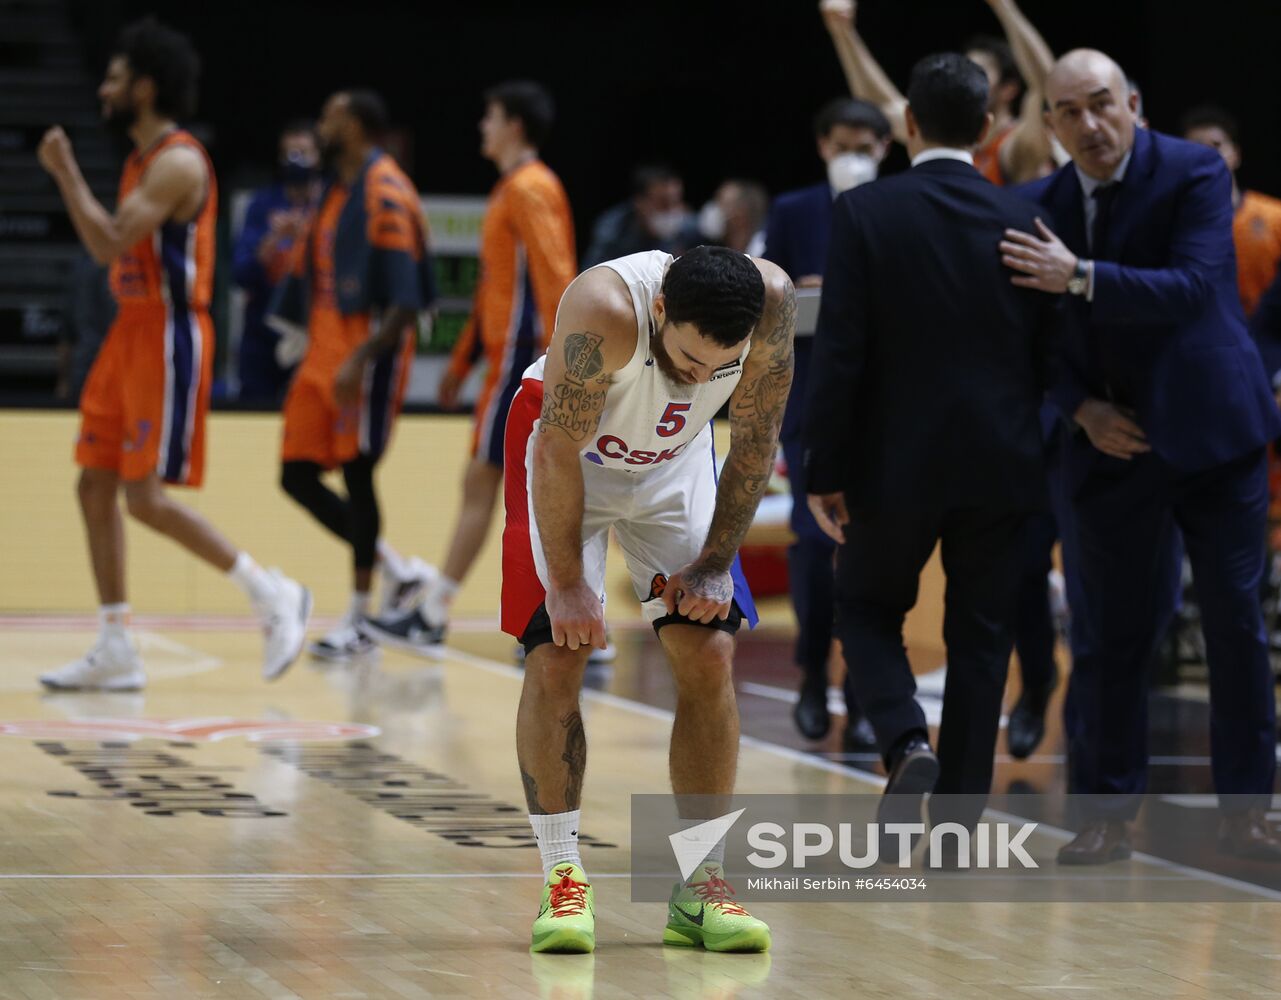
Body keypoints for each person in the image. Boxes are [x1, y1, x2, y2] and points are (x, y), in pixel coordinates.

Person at [1003, 49, 1281, 863]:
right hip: (1108, 443)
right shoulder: (1033, 205)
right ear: (1049, 125)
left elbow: (1194, 286)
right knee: (1107, 634)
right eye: (1070, 113)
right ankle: (1104, 815)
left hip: (1213, 438)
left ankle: (1245, 811)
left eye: (1102, 105)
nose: (1090, 125)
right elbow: (1027, 339)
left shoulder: (1195, 172)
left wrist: (1079, 275)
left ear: (1131, 103)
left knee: (1233, 625)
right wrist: (1079, 408)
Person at [504, 246, 793, 953]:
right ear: (659, 309)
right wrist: (570, 584)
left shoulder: (772, 305)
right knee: (557, 654)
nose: (697, 376)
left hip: (674, 463)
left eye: (712, 368)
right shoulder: (604, 307)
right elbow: (556, 450)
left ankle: (701, 884)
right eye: (687, 360)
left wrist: (717, 564)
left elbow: (755, 439)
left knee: (710, 653)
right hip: (569, 458)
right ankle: (562, 877)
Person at [804, 53, 1057, 843]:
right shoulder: (1026, 222)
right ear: (988, 128)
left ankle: (906, 738)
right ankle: (957, 826)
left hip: (893, 464)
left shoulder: (865, 213)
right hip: (1002, 466)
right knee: (982, 638)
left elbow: (841, 351)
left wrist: (824, 467)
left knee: (866, 608)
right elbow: (1049, 356)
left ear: (906, 124)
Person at [35, 17, 310, 691]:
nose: (104, 89)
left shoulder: (178, 162)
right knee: (92, 483)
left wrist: (66, 173)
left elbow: (105, 244)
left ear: (147, 87)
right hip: (128, 331)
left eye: (116, 78)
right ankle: (115, 643)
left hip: (166, 333)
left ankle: (269, 591)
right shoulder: (139, 160)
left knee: (144, 497)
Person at [364, 81, 576, 656]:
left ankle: (439, 612)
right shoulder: (515, 188)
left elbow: (558, 277)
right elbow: (492, 289)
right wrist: (462, 360)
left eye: (490, 116)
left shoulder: (530, 188)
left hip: (523, 360)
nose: (482, 126)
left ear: (514, 126)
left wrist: (569, 361)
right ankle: (540, 613)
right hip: (511, 357)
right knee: (514, 488)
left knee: (498, 486)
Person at [270, 89, 434, 661]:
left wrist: (359, 359)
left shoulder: (385, 190)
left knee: (359, 477)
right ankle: (397, 569)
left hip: (360, 350)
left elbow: (407, 303)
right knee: (294, 474)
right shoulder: (336, 188)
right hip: (322, 346)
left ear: (358, 125)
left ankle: (361, 621)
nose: (320, 124)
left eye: (329, 115)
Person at [762, 96, 890, 749]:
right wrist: (795, 289)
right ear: (821, 145)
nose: (855, 157)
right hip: (810, 397)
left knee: (873, 552)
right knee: (815, 546)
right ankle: (812, 674)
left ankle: (865, 694)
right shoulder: (792, 212)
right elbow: (759, 300)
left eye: (866, 146)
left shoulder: (898, 204)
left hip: (885, 404)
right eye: (843, 145)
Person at [820, 0, 1055, 185]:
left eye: (980, 72)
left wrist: (1004, 4)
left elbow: (1046, 85)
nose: (965, 79)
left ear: (1008, 90)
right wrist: (843, 32)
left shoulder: (1016, 147)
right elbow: (881, 106)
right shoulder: (948, 135)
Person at [231, 120, 320, 405]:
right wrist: (272, 239)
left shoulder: (330, 204)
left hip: (314, 333)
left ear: (319, 157)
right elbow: (240, 273)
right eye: (289, 154)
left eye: (304, 153)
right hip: (262, 334)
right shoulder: (262, 205)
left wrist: (308, 233)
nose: (296, 161)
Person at [1182, 105, 1281, 319]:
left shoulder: (1275, 216)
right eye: (1196, 147)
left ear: (1235, 154)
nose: (1207, 154)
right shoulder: (1178, 225)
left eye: (1216, 145)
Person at [582, 164, 699, 266]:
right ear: (639, 202)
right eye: (663, 202)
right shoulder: (612, 231)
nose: (671, 210)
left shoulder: (691, 228)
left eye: (676, 202)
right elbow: (589, 275)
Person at [698, 179, 768, 256]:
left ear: (741, 214)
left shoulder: (762, 251)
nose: (713, 209)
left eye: (722, 203)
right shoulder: (715, 252)